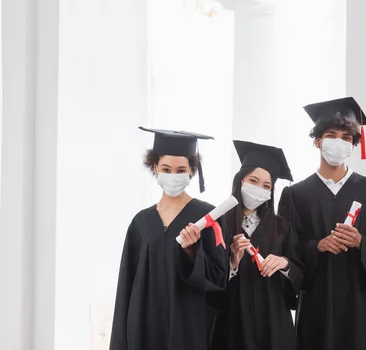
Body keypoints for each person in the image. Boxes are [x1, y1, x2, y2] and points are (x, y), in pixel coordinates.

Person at [278, 97, 366, 350]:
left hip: (363, 306)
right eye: (331, 135)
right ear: (317, 141)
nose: (339, 142)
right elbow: (286, 250)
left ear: (355, 144)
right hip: (317, 305)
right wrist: (317, 246)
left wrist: (363, 243)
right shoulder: (295, 195)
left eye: (347, 138)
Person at [110, 127, 227, 350]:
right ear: (154, 168)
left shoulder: (208, 218)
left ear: (192, 171)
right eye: (166, 169)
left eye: (180, 169)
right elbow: (126, 287)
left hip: (188, 328)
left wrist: (192, 253)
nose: (173, 175)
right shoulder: (141, 223)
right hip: (144, 327)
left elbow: (219, 281)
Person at [211, 140, 302, 350]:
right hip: (232, 321)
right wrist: (232, 264)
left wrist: (285, 264)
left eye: (266, 186)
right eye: (253, 181)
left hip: (273, 322)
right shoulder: (219, 224)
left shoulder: (283, 228)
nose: (259, 189)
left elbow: (301, 276)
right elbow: (209, 280)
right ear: (240, 180)